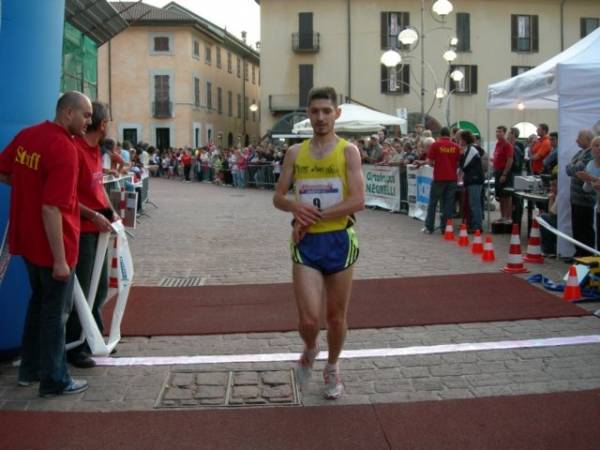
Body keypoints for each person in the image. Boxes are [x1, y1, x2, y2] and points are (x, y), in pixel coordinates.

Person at [273, 86, 364, 400]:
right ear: (308, 115)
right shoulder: (295, 152)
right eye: (315, 112)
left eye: (327, 111)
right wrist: (295, 207)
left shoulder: (348, 151)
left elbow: (358, 200)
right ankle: (310, 348)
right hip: (306, 243)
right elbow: (278, 196)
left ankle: (333, 366)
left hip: (340, 241)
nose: (321, 117)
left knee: (336, 317)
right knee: (309, 320)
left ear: (337, 113)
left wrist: (317, 215)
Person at [0, 91, 92, 397]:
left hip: (27, 240)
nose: (88, 121)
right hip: (54, 244)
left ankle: (30, 369)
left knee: (38, 304)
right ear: (68, 112)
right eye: (86, 115)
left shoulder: (27, 135)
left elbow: (4, 170)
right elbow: (52, 208)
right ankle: (55, 378)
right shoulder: (64, 148)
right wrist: (60, 259)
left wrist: (28, 186)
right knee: (56, 313)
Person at [65, 101, 118, 368]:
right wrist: (94, 215)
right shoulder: (75, 150)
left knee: (99, 290)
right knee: (84, 290)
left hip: (99, 229)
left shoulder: (95, 150)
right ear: (103, 123)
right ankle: (75, 346)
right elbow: (69, 195)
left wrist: (110, 212)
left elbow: (98, 188)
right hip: (84, 230)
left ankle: (94, 336)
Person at [416, 127, 461, 234]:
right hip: (452, 179)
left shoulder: (435, 145)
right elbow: (459, 163)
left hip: (439, 178)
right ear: (449, 135)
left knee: (433, 203)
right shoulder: (455, 146)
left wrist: (428, 163)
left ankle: (429, 227)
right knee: (448, 204)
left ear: (440, 134)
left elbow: (430, 162)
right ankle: (446, 228)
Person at [566, 129, 595, 256]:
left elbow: (579, 169)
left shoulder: (591, 155)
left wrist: (574, 166)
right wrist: (574, 166)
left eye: (580, 138)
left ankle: (587, 254)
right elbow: (568, 169)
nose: (577, 140)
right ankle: (579, 253)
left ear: (588, 140)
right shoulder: (579, 153)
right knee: (577, 228)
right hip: (575, 198)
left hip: (586, 198)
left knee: (586, 228)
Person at [459, 131, 484, 233]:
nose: (459, 141)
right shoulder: (470, 149)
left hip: (474, 180)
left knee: (475, 204)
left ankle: (477, 226)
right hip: (473, 179)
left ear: (464, 140)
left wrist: (460, 156)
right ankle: (475, 225)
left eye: (460, 139)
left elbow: (464, 165)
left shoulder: (472, 149)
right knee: (473, 204)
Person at [578, 136, 600, 249]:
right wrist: (586, 180)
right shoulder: (590, 164)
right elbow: (587, 189)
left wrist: (591, 178)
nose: (598, 148)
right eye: (596, 146)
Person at [493, 125, 514, 224]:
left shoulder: (507, 145)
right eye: (497, 131)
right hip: (497, 171)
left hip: (504, 172)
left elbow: (510, 159)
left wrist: (504, 174)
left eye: (500, 132)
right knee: (501, 196)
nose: (498, 133)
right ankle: (503, 216)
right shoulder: (498, 144)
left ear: (504, 133)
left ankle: (508, 217)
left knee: (507, 196)